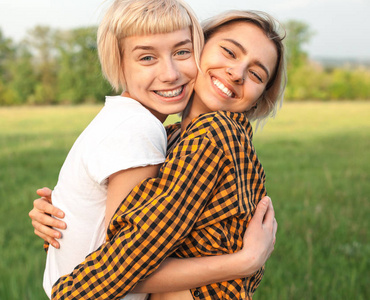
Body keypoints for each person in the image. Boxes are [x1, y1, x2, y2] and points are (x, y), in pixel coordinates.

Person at [31, 8, 285, 300]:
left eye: (256, 74)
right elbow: (127, 226)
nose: (237, 73)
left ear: (259, 98)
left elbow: (135, 253)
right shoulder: (173, 137)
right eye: (229, 51)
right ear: (199, 48)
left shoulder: (214, 134)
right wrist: (69, 211)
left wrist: (71, 292)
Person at [39, 0, 204, 298]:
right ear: (120, 64)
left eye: (182, 52)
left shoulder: (124, 118)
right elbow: (126, 263)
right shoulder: (138, 127)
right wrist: (243, 263)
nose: (169, 73)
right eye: (147, 58)